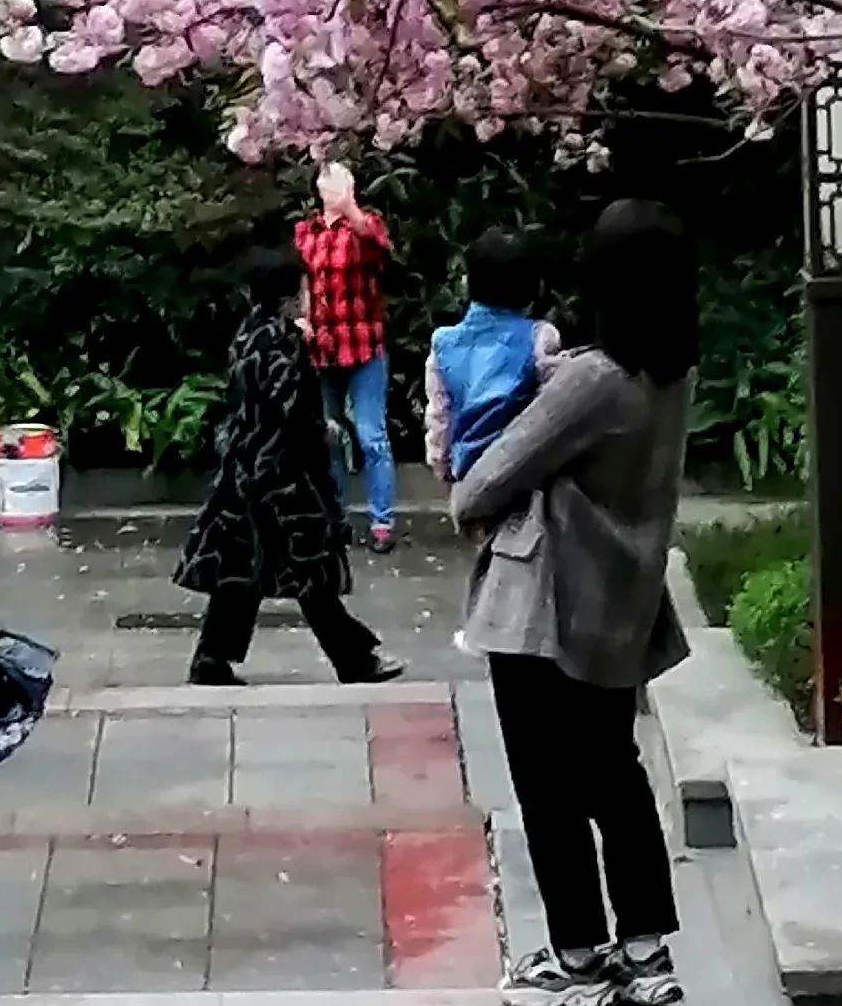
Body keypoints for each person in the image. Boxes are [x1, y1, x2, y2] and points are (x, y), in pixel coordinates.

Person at [447, 194, 697, 1006]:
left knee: (546, 786)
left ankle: (578, 958)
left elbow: (480, 485)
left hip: (540, 606)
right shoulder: (671, 375)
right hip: (621, 603)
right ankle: (646, 948)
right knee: (613, 774)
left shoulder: (590, 378)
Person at [180, 238, 404, 686]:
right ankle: (354, 660)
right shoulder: (285, 342)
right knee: (311, 570)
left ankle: (212, 659)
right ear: (291, 294)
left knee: (242, 570)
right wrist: (321, 435)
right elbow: (290, 411)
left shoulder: (247, 334)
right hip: (283, 476)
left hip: (245, 469)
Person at [297, 154, 401, 554]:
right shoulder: (306, 232)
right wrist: (302, 319)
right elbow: (304, 280)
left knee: (371, 434)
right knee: (328, 435)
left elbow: (381, 252)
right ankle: (334, 517)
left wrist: (351, 209)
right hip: (323, 350)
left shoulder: (365, 225)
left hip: (363, 346)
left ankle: (382, 521)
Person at [425, 221, 560, 480]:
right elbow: (552, 411)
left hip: (467, 473)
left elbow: (440, 417)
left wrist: (442, 467)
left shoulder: (443, 343)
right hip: (522, 473)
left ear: (468, 283)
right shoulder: (540, 337)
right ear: (535, 288)